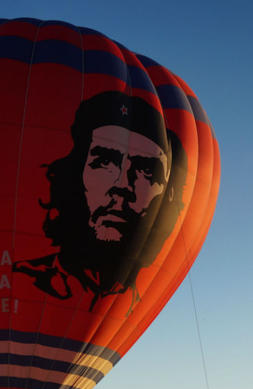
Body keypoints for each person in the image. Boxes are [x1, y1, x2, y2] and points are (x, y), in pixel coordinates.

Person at [13, 91, 188, 310]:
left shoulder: (140, 304)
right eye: (105, 161)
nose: (123, 185)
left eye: (146, 170)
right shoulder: (21, 280)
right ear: (74, 172)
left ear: (167, 195)